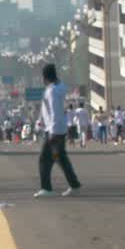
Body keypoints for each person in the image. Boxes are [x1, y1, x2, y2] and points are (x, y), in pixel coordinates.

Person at [34, 63, 81, 198]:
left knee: (44, 159)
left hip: (54, 130)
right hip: (59, 128)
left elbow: (54, 112)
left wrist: (52, 132)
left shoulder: (52, 91)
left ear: (45, 77)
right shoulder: (59, 87)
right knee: (60, 158)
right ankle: (74, 185)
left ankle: (46, 188)